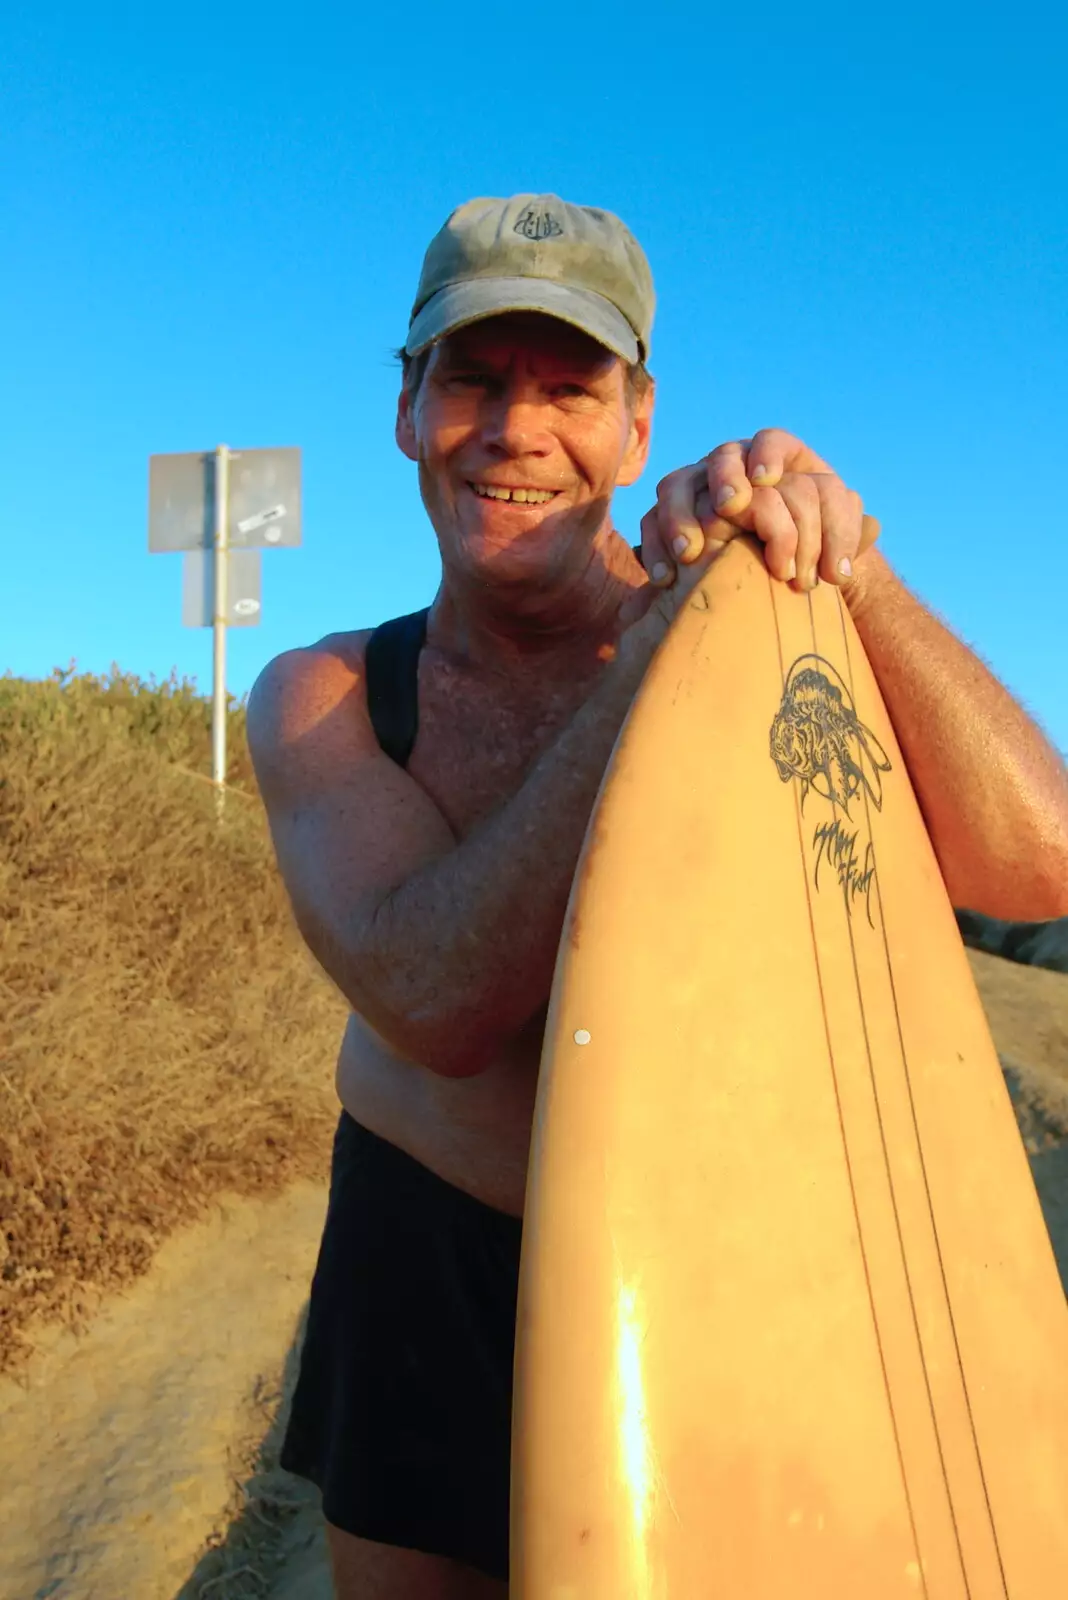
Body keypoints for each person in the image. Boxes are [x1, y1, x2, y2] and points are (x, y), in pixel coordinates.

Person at [246, 193, 1068, 1600]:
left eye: (570, 388)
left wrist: (840, 573)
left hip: (728, 1269)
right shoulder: (329, 697)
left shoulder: (755, 639)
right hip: (423, 1274)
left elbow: (1037, 859)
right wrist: (650, 666)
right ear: (407, 408)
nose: (516, 432)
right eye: (473, 380)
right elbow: (432, 996)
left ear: (638, 425)